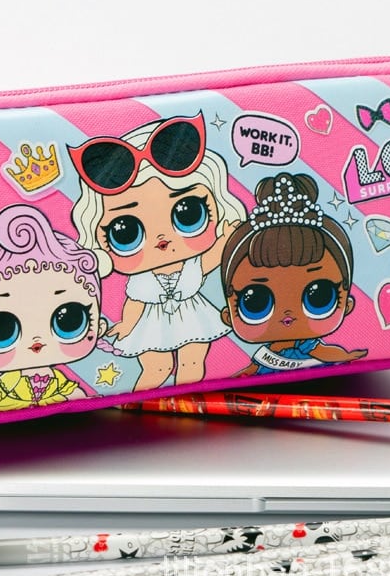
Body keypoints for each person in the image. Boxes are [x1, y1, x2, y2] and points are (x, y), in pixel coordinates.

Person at [69, 113, 245, 391]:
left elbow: (215, 256)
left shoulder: (192, 266)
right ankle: (135, 398)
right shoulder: (143, 279)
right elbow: (134, 302)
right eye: (126, 232)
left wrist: (229, 235)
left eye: (189, 214)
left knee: (192, 362)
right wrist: (127, 325)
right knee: (157, 367)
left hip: (193, 318)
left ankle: (189, 399)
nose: (162, 240)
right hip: (151, 325)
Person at [0, 204, 108, 414]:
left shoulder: (54, 379)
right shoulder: (11, 380)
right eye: (1, 331)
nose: (37, 340)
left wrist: (88, 399)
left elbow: (70, 391)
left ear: (99, 327)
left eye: (69, 322)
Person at [220, 172, 366, 374]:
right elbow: (253, 367)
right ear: (228, 316)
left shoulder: (306, 345)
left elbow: (323, 352)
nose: (287, 315)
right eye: (255, 302)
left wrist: (346, 356)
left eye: (320, 297)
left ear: (347, 304)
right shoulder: (268, 353)